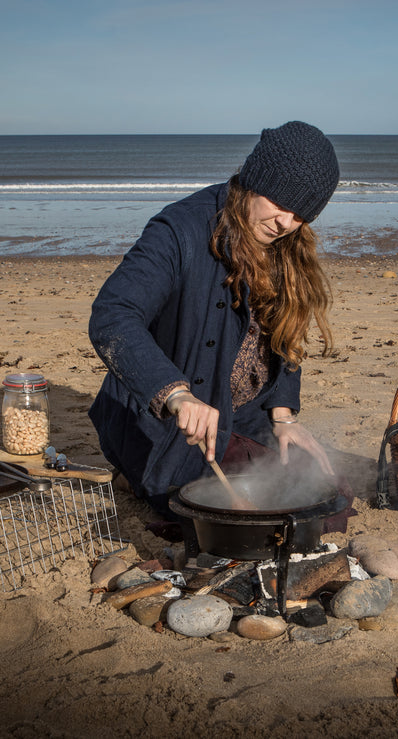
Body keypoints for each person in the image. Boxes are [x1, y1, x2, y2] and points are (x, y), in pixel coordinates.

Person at [88, 121, 351, 532]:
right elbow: (113, 314)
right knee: (236, 519)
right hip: (166, 422)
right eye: (280, 204)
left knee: (326, 490)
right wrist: (176, 394)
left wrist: (283, 417)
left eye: (300, 215)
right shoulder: (178, 231)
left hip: (242, 415)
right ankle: (135, 475)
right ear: (255, 178)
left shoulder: (286, 246)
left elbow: (286, 338)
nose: (285, 223)